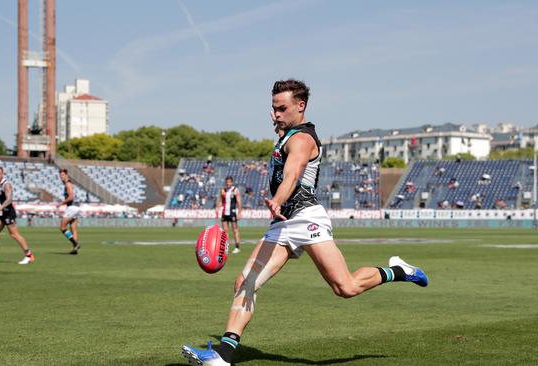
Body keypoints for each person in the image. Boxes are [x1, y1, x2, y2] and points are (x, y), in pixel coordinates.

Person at [182, 79, 428, 366]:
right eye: (273, 109)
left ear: (301, 106)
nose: (275, 114)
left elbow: (292, 175)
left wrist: (277, 199)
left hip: (307, 219)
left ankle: (399, 270)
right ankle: (224, 355)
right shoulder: (286, 136)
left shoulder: (302, 139)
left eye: (282, 109)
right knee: (245, 281)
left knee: (345, 287)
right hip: (282, 224)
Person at [0, 166, 35, 265]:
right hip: (2, 213)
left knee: (14, 234)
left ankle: (29, 256)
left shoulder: (6, 184)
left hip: (8, 213)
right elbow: (0, 201)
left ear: (2, 174)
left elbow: (9, 199)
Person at [57, 169, 81, 254]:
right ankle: (75, 249)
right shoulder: (70, 184)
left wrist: (61, 203)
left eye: (63, 175)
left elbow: (71, 197)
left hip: (72, 207)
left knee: (62, 227)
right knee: (73, 228)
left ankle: (75, 243)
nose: (61, 177)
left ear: (66, 175)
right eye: (60, 176)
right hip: (77, 207)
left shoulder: (68, 184)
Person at [216, 176, 243, 254]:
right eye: (227, 182)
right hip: (224, 213)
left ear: (232, 182)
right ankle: (226, 247)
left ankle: (237, 247)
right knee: (225, 231)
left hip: (232, 212)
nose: (228, 183)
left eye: (229, 182)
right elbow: (222, 201)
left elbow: (239, 202)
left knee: (235, 230)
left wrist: (240, 212)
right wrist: (217, 207)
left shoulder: (235, 190)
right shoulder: (223, 190)